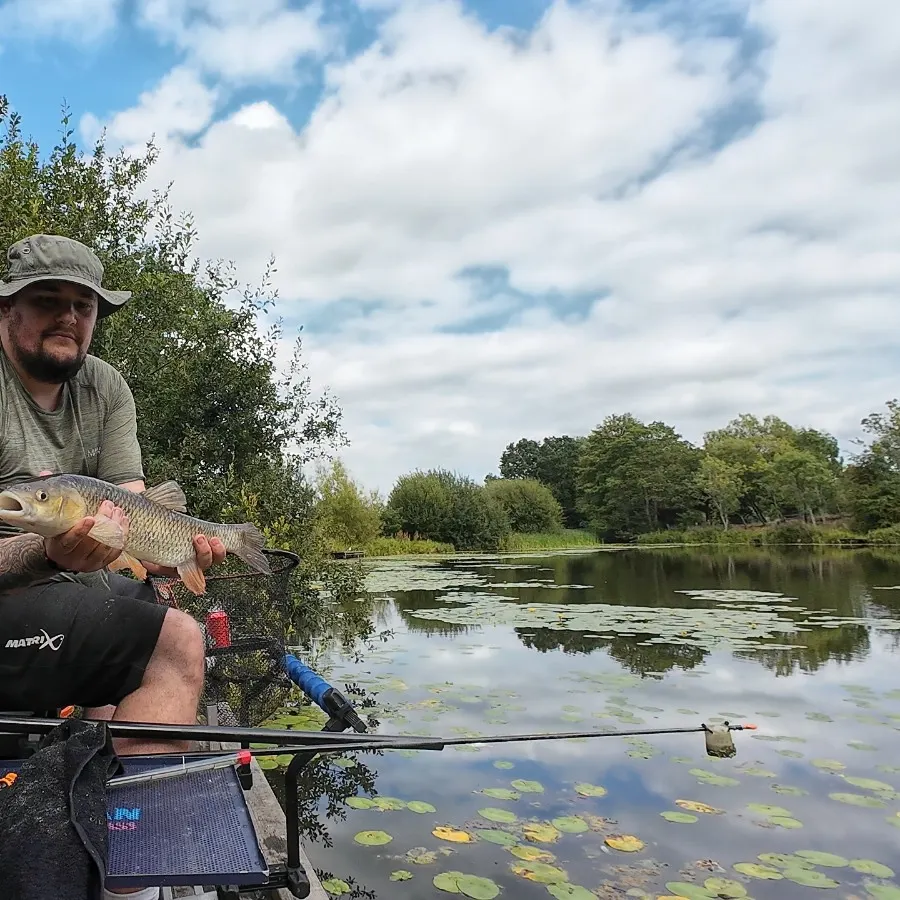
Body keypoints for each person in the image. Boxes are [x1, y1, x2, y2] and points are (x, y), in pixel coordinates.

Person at [0, 234, 226, 900]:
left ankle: (108, 836)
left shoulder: (104, 386)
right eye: (48, 300)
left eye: (84, 305)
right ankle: (136, 876)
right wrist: (45, 551)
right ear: (7, 308)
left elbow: (132, 512)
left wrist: (175, 555)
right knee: (177, 643)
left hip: (72, 594)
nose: (69, 317)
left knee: (141, 612)